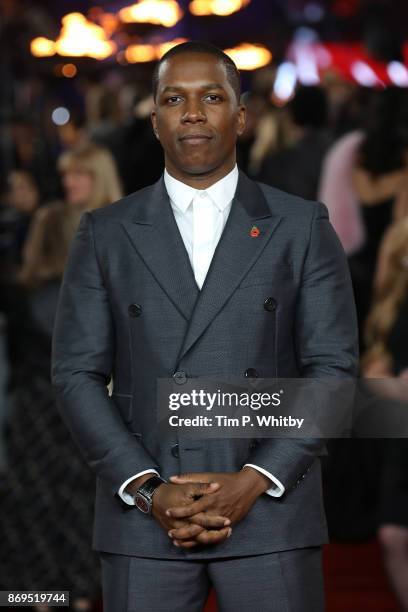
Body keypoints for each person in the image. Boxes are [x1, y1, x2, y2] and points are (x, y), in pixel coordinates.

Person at [52, 41, 358, 612]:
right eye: (174, 98)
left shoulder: (300, 225)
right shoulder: (105, 233)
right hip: (145, 522)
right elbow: (75, 374)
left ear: (241, 118)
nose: (193, 112)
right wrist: (147, 489)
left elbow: (333, 369)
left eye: (211, 96)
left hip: (272, 513)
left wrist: (258, 477)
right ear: (155, 120)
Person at [0, 143, 122, 611]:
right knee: (74, 510)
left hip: (46, 408)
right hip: (79, 406)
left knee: (39, 512)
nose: (70, 184)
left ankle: (44, 598)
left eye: (79, 177)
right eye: (67, 177)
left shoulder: (117, 238)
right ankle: (71, 596)